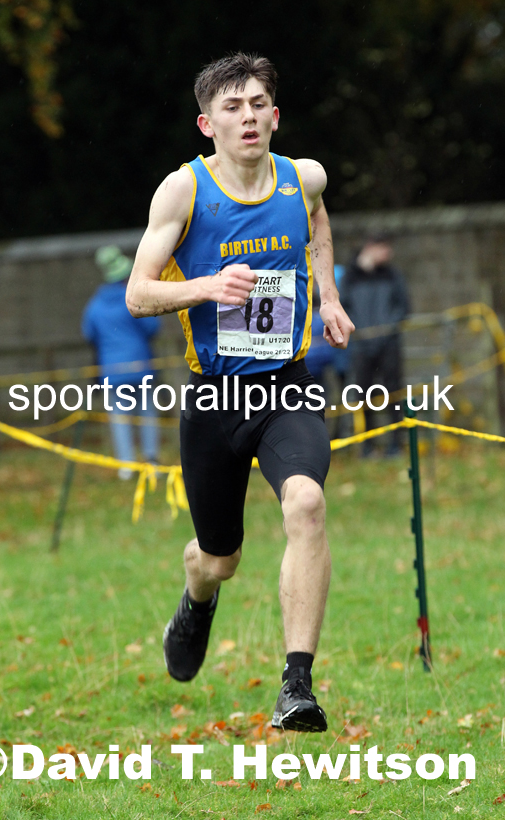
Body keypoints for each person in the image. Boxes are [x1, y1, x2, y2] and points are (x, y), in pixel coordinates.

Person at [126, 53, 354, 732]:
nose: (247, 116)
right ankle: (196, 599)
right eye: (232, 107)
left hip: (286, 388)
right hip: (214, 398)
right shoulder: (182, 193)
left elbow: (317, 222)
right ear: (207, 124)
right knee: (218, 558)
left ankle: (296, 688)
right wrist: (205, 287)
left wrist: (329, 295)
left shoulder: (302, 179)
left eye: (258, 104)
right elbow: (138, 292)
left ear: (274, 116)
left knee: (306, 502)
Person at [82, 245, 161, 477]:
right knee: (147, 414)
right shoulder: (133, 299)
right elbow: (152, 326)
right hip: (140, 367)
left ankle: (126, 467)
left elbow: (89, 334)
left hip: (112, 371)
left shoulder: (94, 306)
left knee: (119, 418)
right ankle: (151, 463)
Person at [339, 234, 411, 457]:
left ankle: (396, 444)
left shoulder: (392, 275)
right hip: (361, 348)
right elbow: (343, 308)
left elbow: (403, 307)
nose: (388, 254)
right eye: (384, 248)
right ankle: (368, 445)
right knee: (364, 395)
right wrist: (360, 332)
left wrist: (387, 332)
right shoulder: (350, 278)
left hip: (389, 346)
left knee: (394, 394)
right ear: (370, 248)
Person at [304, 265, 351, 437]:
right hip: (301, 366)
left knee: (325, 403)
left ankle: (327, 437)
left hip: (325, 365)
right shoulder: (302, 302)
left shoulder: (329, 306)